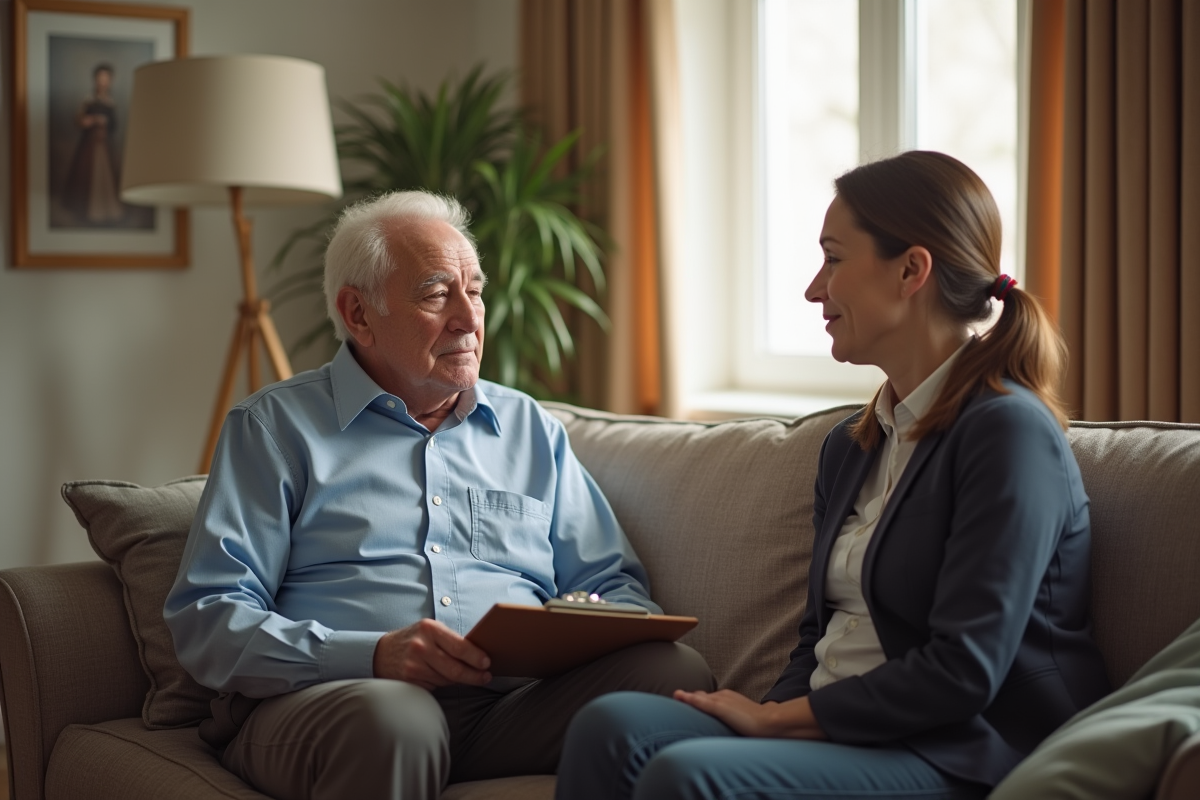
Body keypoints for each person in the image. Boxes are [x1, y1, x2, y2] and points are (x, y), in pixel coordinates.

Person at [554, 151, 1111, 800]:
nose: (815, 289)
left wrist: (776, 721)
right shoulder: (852, 446)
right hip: (841, 733)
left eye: (834, 258)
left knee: (688, 776)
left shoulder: (1008, 433)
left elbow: (964, 670)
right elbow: (821, 638)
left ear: (911, 270)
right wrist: (772, 722)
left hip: (964, 750)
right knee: (610, 726)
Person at [164, 190, 715, 800]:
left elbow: (616, 587)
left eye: (474, 291)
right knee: (399, 719)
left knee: (673, 673)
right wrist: (373, 656)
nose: (468, 317)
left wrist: (576, 628)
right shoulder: (275, 429)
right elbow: (208, 621)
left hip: (505, 711)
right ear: (359, 314)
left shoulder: (531, 429)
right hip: (335, 704)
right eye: (435, 294)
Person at [63, 63, 124, 225]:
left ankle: (107, 210)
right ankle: (84, 211)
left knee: (107, 177)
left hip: (105, 145)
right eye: (100, 79)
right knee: (85, 175)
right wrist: (89, 121)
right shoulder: (88, 101)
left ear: (110, 82)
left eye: (106, 79)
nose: (102, 83)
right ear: (95, 80)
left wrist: (104, 123)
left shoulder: (111, 103)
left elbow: (114, 126)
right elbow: (79, 120)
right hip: (89, 145)